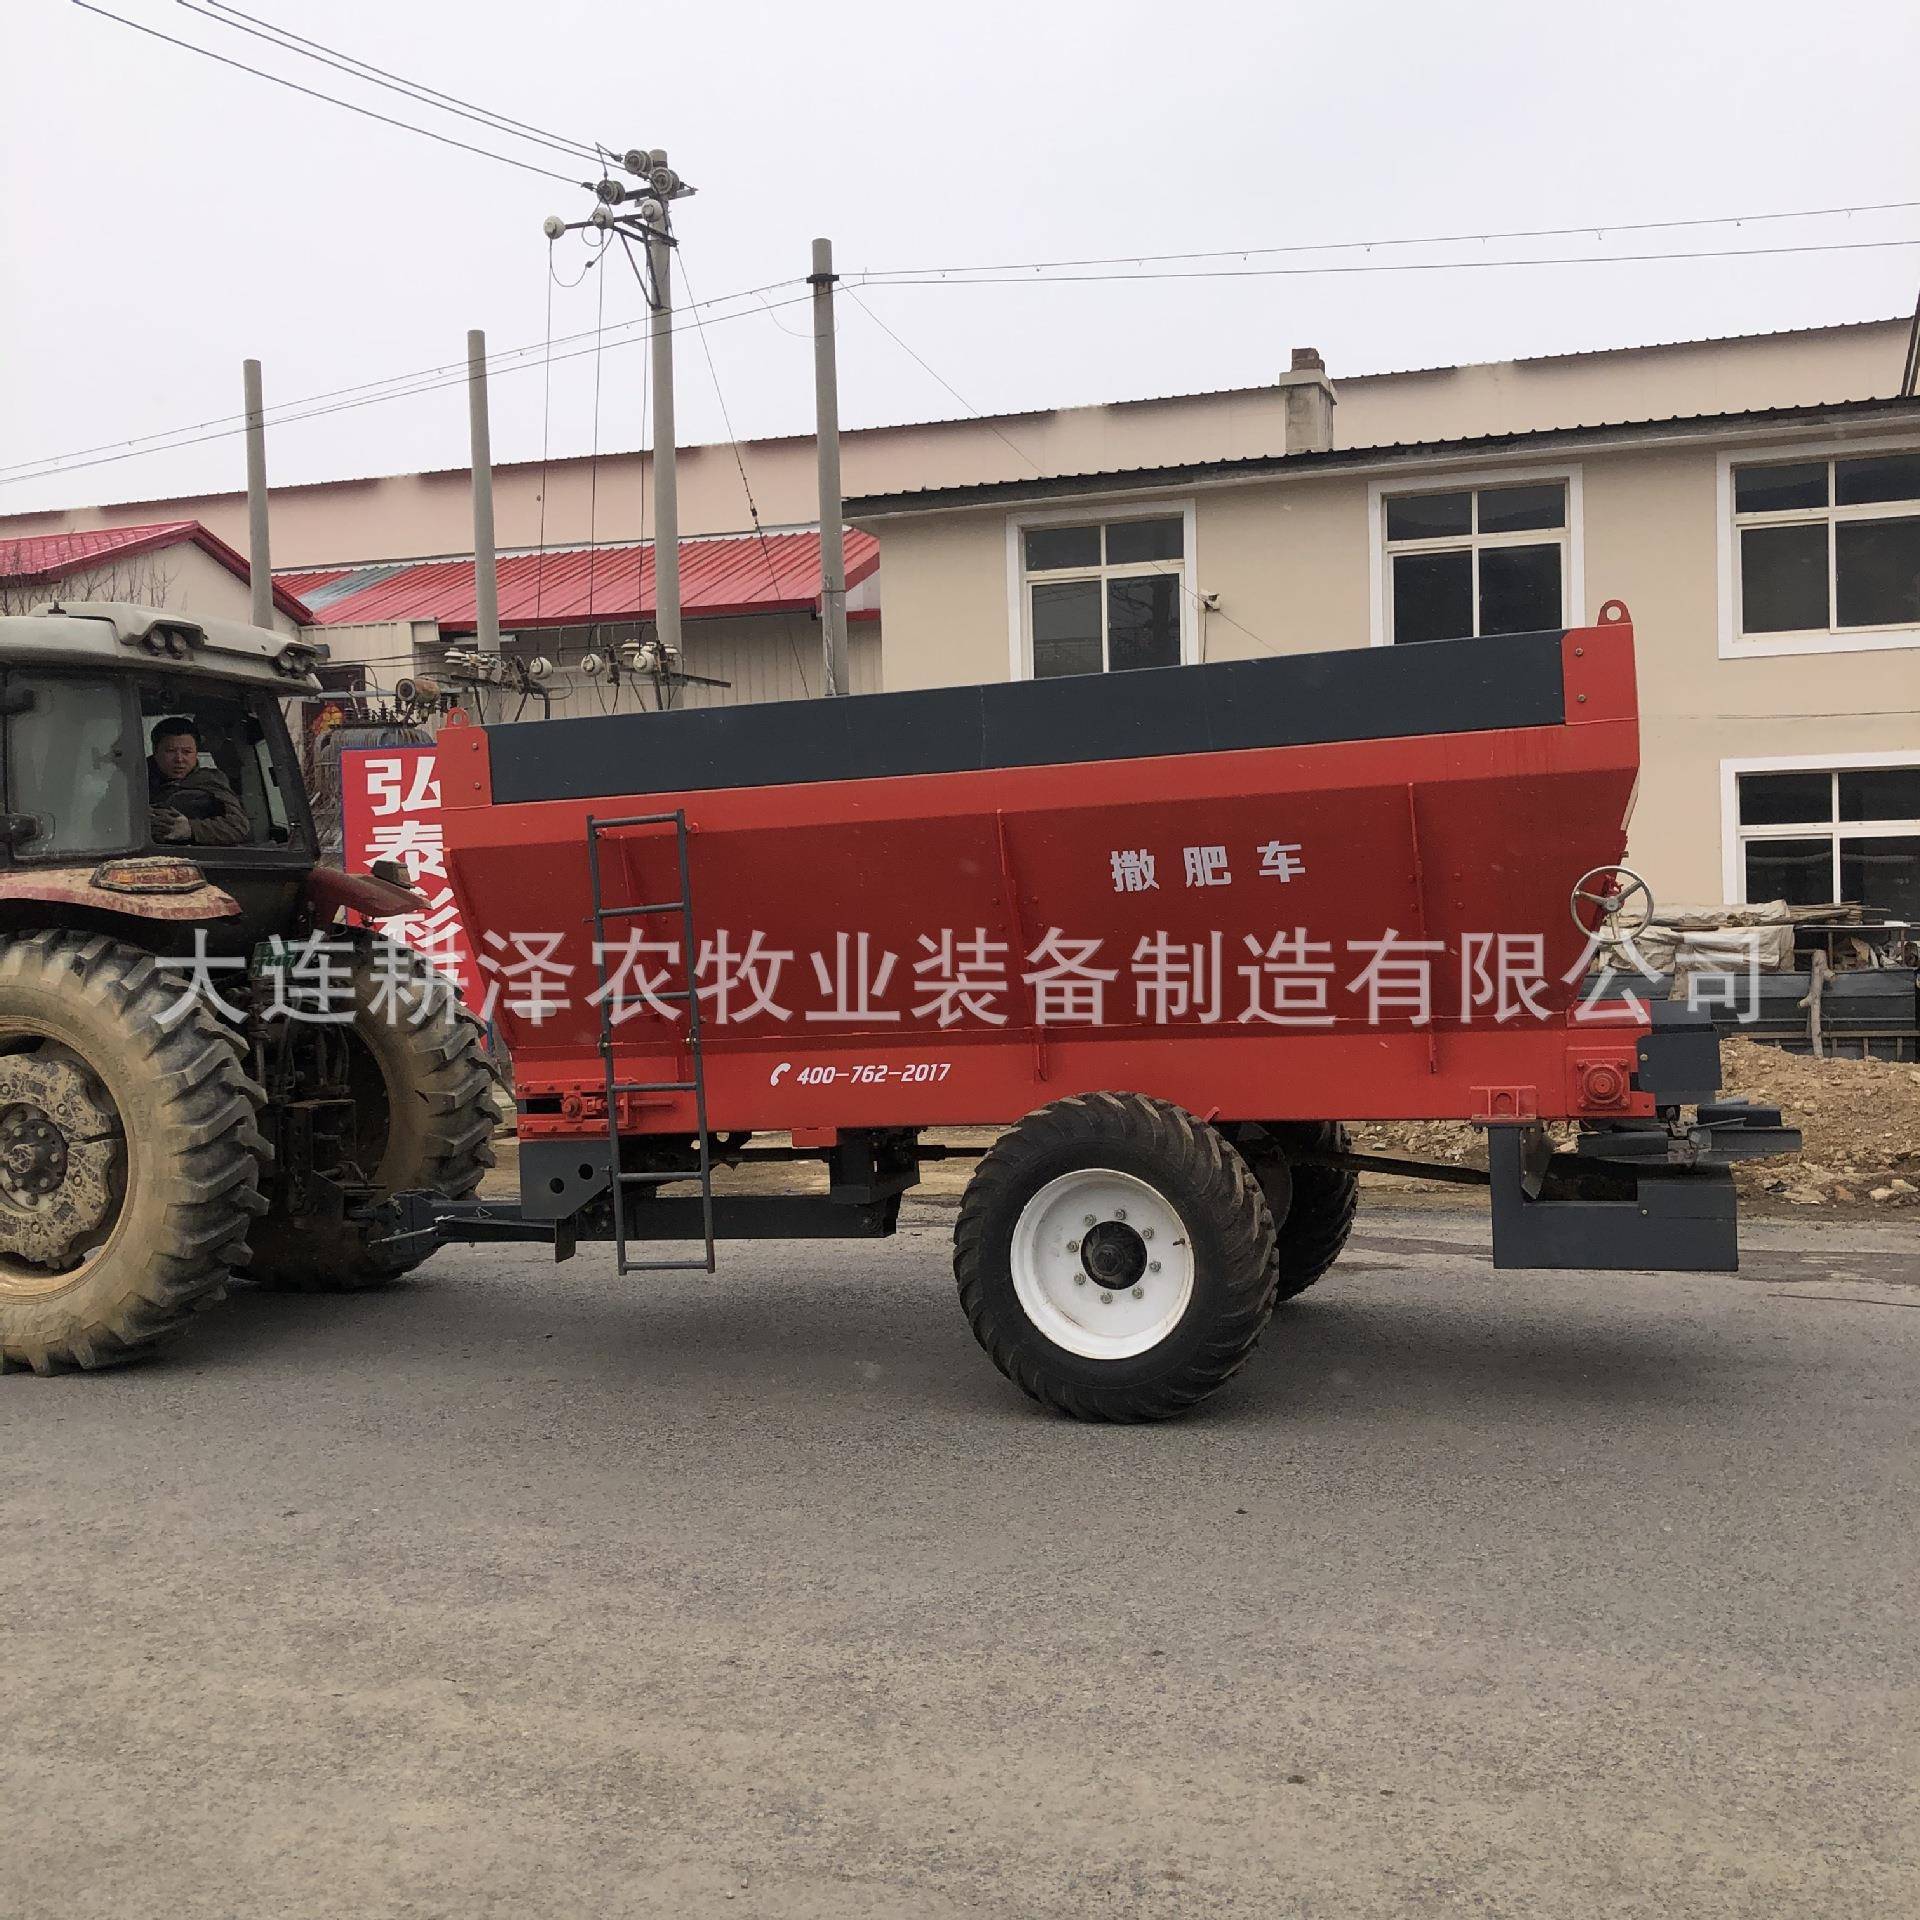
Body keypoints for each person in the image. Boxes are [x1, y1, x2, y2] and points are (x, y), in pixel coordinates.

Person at [147, 717, 251, 847]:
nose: (179, 759)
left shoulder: (209, 781)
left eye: (187, 752)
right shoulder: (132, 782)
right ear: (155, 751)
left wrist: (190, 829)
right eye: (170, 751)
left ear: (196, 752)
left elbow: (238, 826)